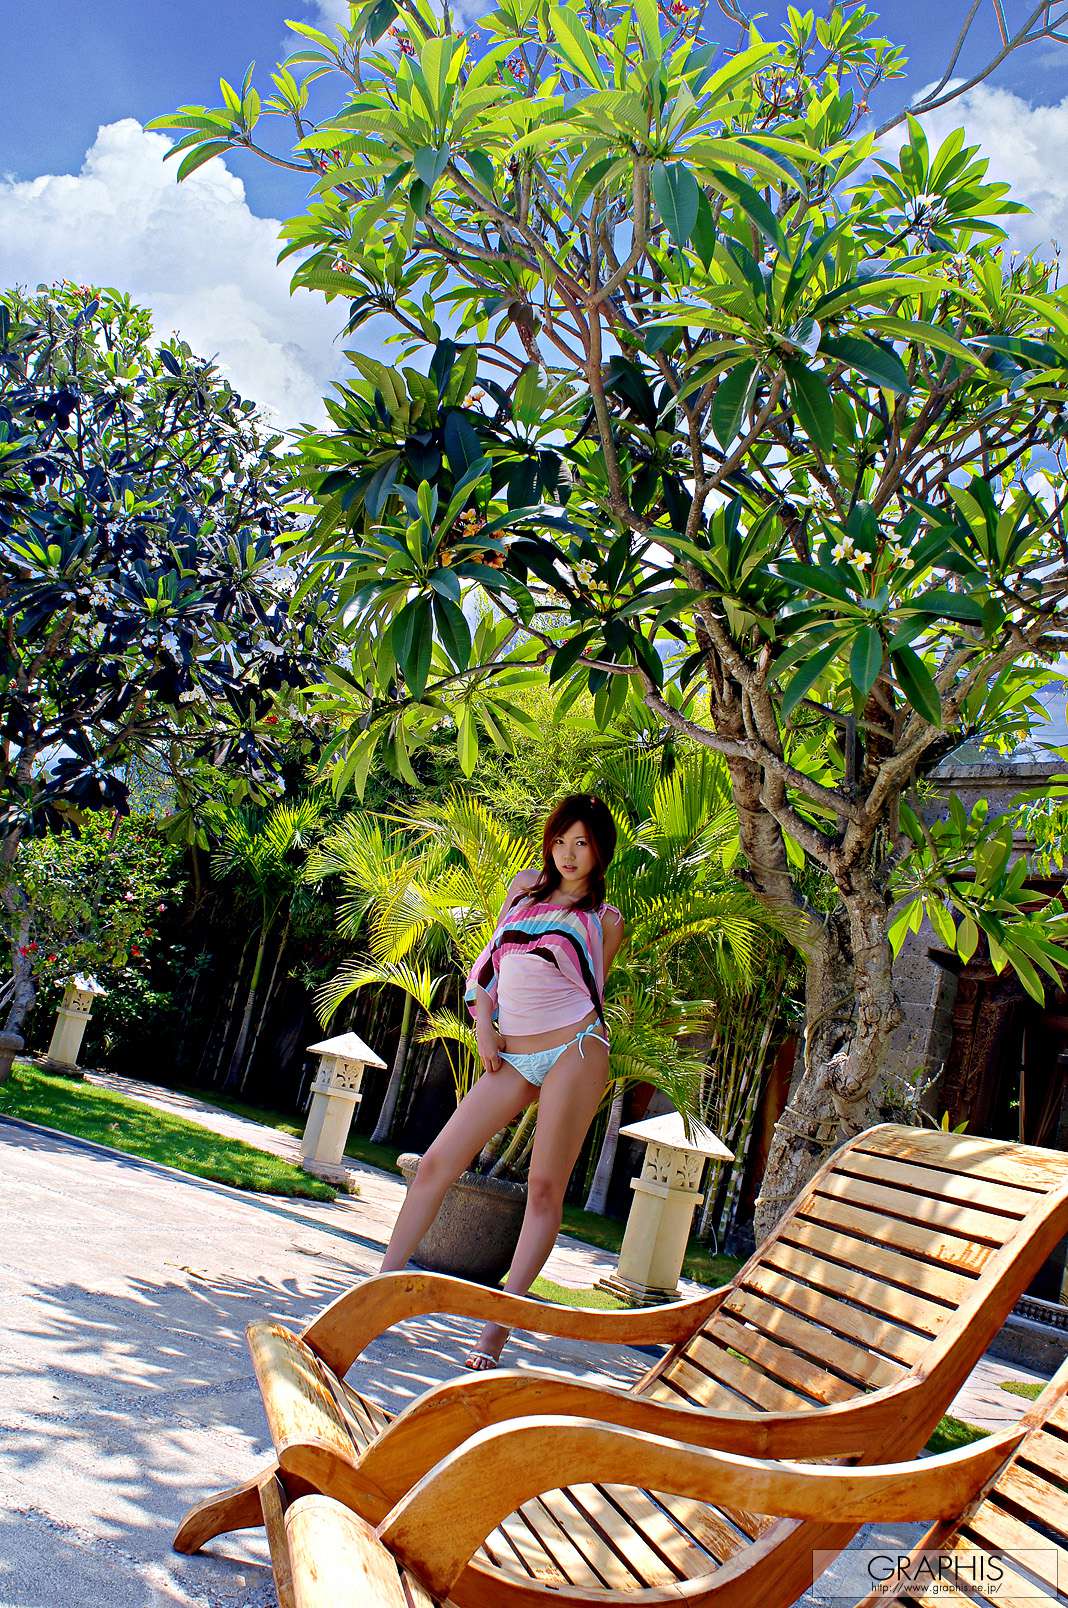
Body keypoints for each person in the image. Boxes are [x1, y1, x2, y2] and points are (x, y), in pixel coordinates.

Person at [378, 793, 625, 1369]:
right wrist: (484, 1027)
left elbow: (585, 987)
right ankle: (380, 1293)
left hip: (576, 1050)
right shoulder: (522, 889)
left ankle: (494, 1334)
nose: (568, 854)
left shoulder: (605, 921)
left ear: (600, 852)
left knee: (543, 1189)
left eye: (582, 843)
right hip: (511, 1054)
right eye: (561, 840)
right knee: (435, 1165)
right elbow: (488, 966)